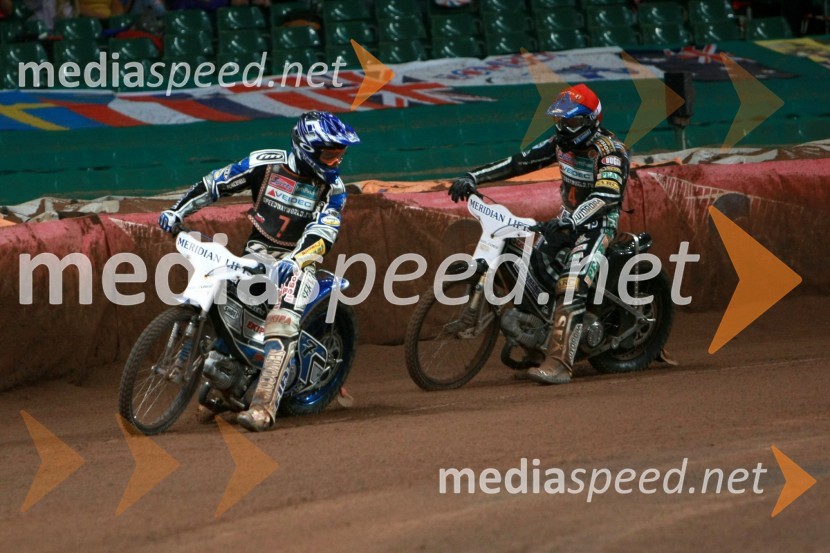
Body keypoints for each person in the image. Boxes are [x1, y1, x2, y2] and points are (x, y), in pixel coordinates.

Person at [158, 111, 360, 431]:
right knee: (217, 293)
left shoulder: (333, 189)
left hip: (296, 263)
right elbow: (217, 183)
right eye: (330, 154)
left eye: (340, 154)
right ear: (307, 148)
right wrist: (177, 210)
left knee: (281, 322)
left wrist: (296, 261)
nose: (336, 161)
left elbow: (324, 232)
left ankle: (263, 408)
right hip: (254, 255)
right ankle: (221, 375)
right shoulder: (265, 163)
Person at [448, 84, 630, 386]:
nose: (562, 128)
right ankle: (534, 343)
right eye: (560, 122)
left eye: (570, 122)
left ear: (589, 122)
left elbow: (605, 195)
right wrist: (473, 176)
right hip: (565, 220)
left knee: (570, 284)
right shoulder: (560, 145)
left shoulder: (611, 154)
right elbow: (519, 162)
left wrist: (574, 222)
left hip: (597, 225)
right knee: (530, 270)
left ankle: (559, 364)